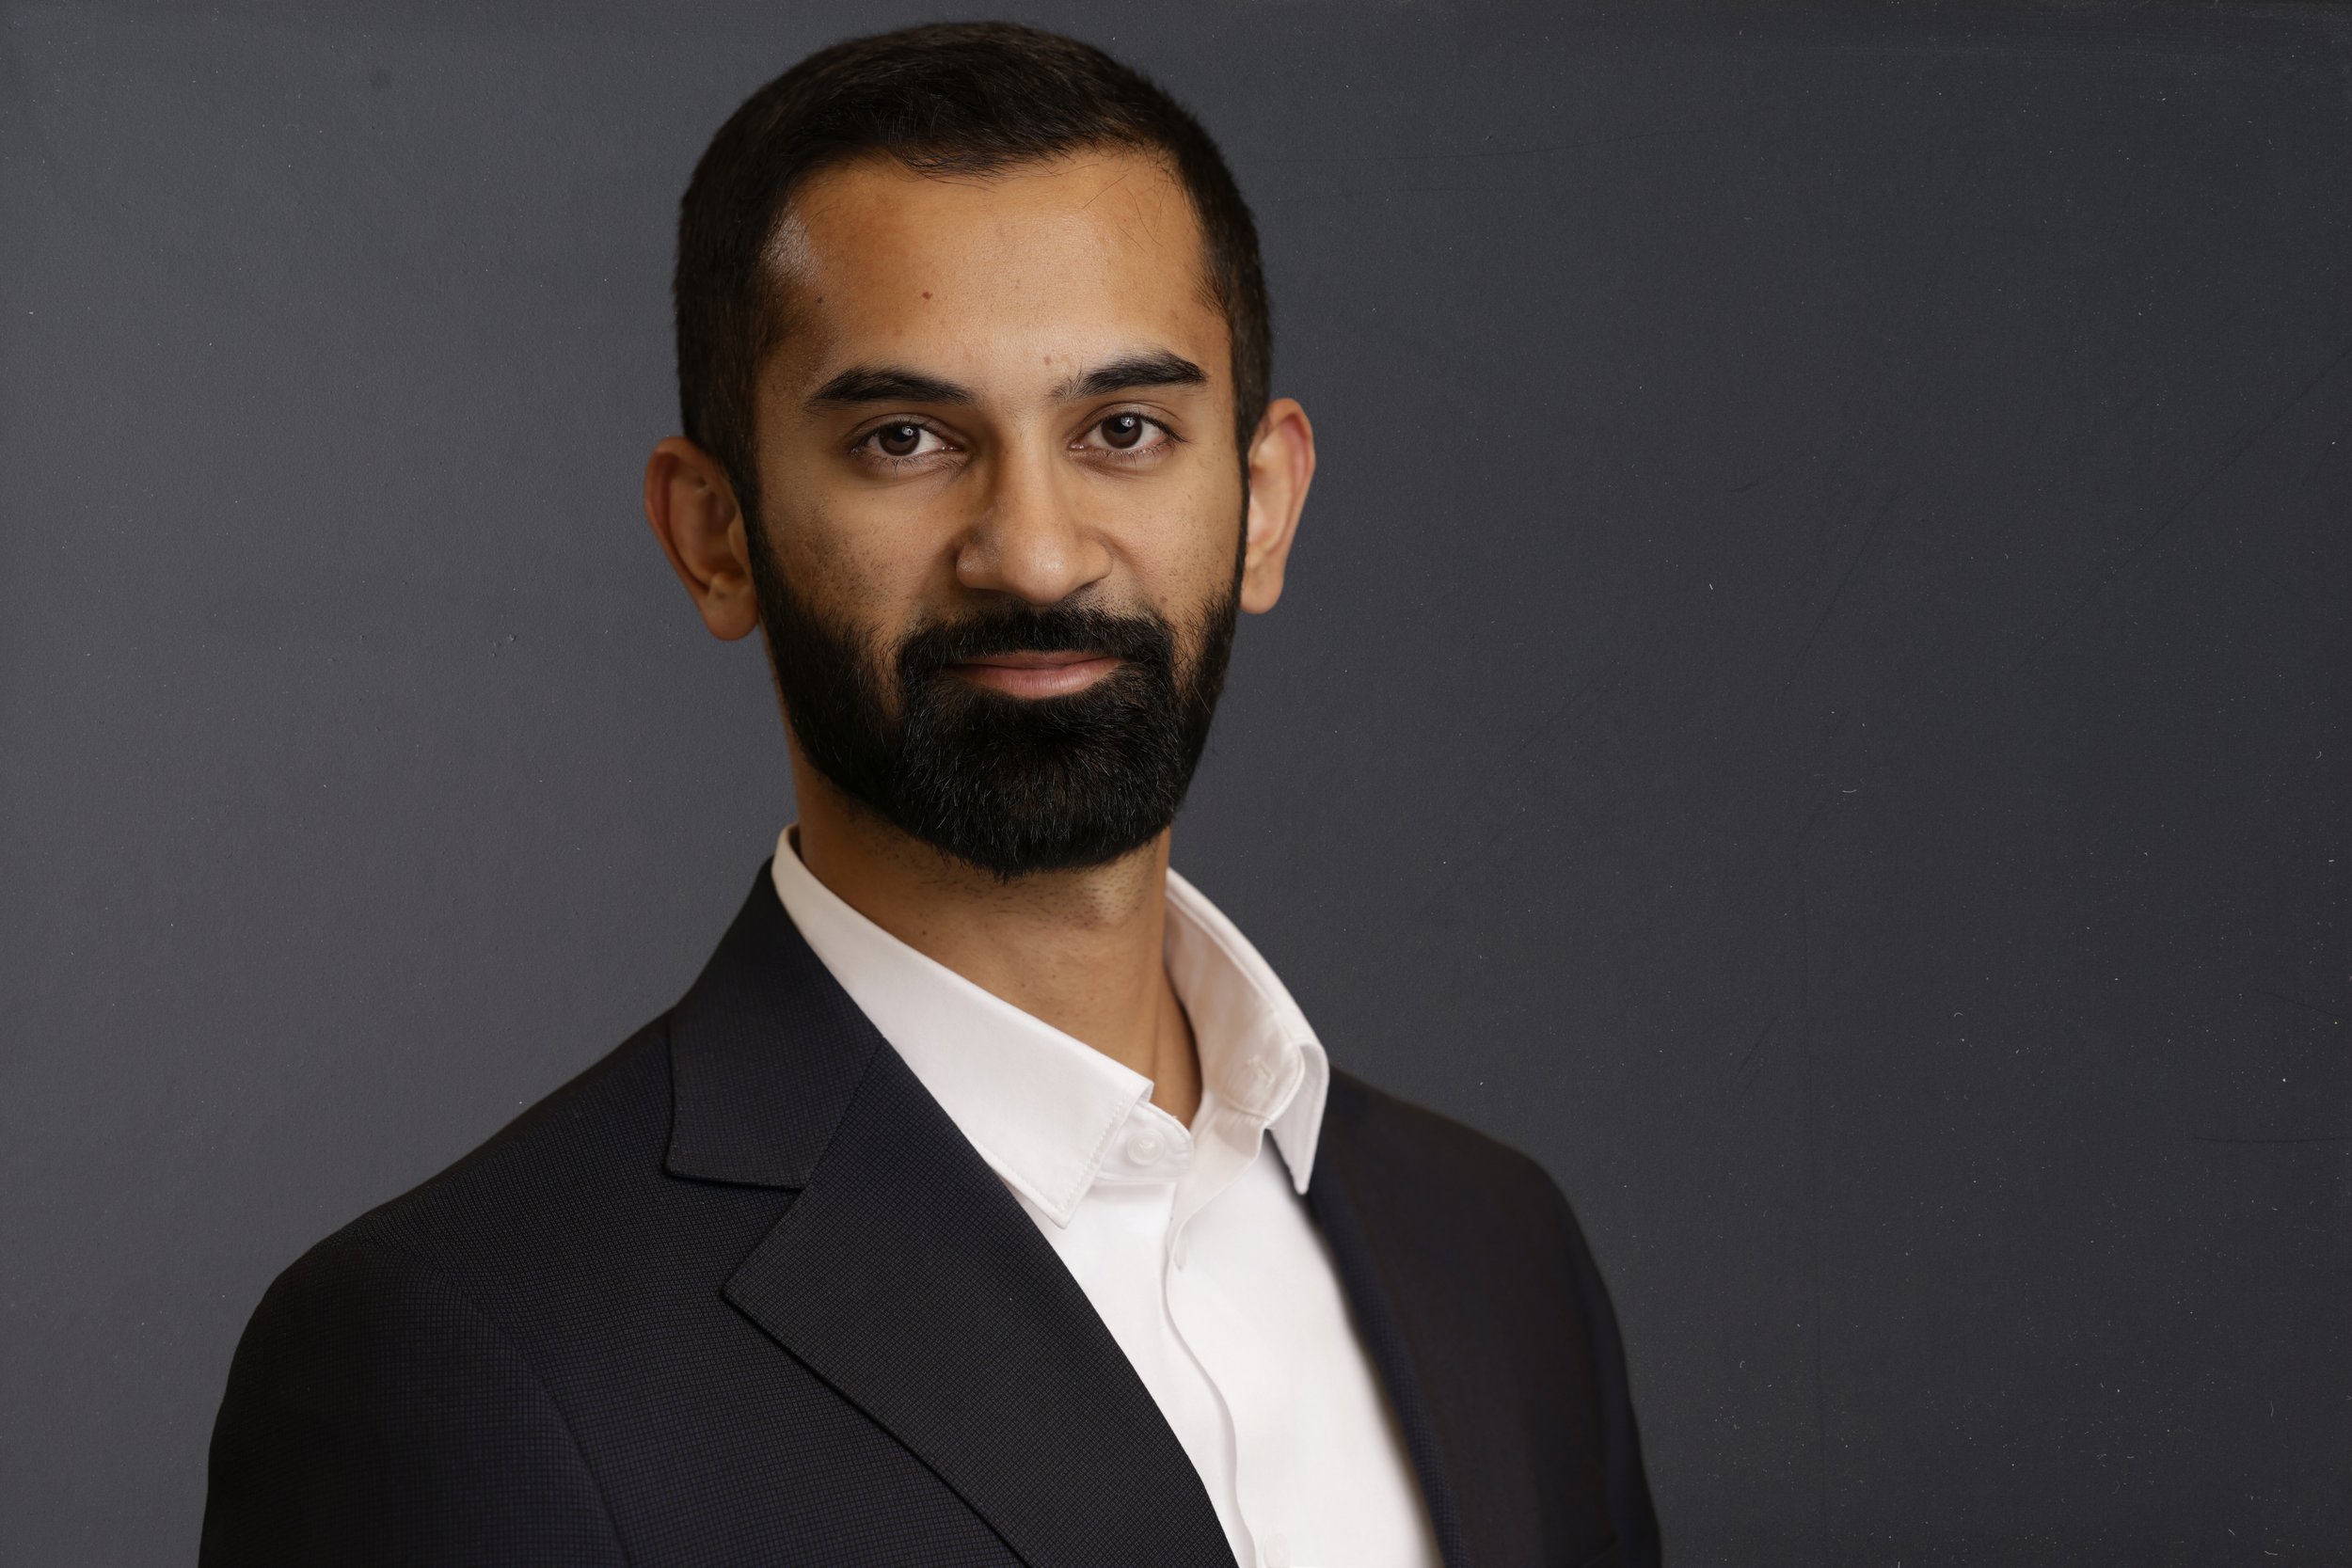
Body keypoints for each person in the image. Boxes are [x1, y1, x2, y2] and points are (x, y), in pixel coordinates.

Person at [199, 21, 1660, 1568]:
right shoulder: (464, 1360)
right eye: (906, 439)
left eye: (1124, 431)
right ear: (716, 536)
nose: (1033, 550)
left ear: (1263, 505)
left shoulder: (1499, 1255)